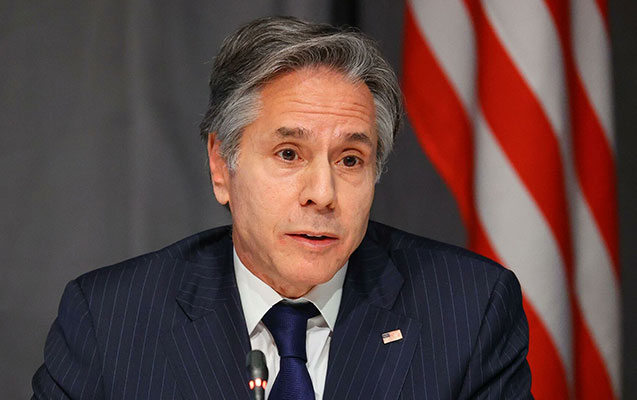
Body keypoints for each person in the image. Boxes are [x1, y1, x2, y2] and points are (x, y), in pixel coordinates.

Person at [32, 16, 532, 399]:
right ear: (221, 166)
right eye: (289, 154)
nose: (323, 194)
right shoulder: (110, 320)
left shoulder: (469, 310)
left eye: (350, 159)